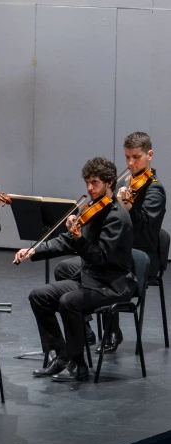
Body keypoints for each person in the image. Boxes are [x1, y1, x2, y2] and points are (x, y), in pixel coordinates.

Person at [15, 157, 136, 382]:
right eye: (87, 182)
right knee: (39, 296)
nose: (89, 188)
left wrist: (79, 239)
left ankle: (78, 365)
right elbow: (66, 241)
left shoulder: (117, 218)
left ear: (110, 183)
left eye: (95, 183)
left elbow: (100, 257)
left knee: (69, 302)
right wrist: (34, 251)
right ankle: (61, 356)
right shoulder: (90, 209)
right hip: (89, 279)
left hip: (111, 284)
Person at [53, 133, 164, 353]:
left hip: (140, 254)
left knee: (104, 270)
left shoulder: (154, 189)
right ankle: (83, 325)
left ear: (149, 155)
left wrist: (128, 207)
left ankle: (112, 330)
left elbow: (146, 227)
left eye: (136, 157)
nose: (130, 163)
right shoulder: (123, 182)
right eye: (127, 157)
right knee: (64, 268)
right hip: (113, 249)